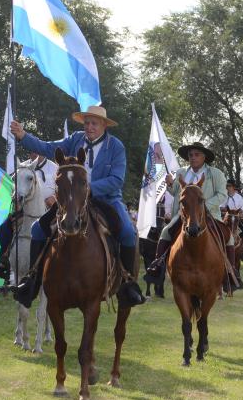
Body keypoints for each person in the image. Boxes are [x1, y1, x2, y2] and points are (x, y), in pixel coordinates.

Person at [9, 106, 145, 308]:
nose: (89, 127)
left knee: (126, 231)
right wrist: (23, 136)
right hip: (72, 200)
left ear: (104, 125)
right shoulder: (74, 139)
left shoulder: (116, 147)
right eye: (87, 123)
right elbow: (47, 147)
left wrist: (89, 188)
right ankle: (32, 281)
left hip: (106, 199)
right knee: (38, 228)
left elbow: (116, 180)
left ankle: (128, 283)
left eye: (94, 123)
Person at [145, 143, 234, 286]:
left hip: (209, 215)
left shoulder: (216, 173)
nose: (193, 157)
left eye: (196, 154)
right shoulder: (181, 172)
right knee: (166, 232)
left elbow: (222, 195)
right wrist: (169, 184)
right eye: (190, 155)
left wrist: (204, 207)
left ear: (204, 157)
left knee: (229, 238)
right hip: (184, 215)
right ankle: (158, 265)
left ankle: (231, 272)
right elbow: (175, 192)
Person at [0, 151, 58, 279]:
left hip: (51, 210)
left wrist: (55, 198)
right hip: (24, 210)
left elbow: (62, 187)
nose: (34, 153)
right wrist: (15, 198)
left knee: (63, 232)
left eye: (37, 150)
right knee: (4, 228)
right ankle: (3, 260)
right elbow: (15, 187)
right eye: (31, 150)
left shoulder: (54, 168)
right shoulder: (22, 167)